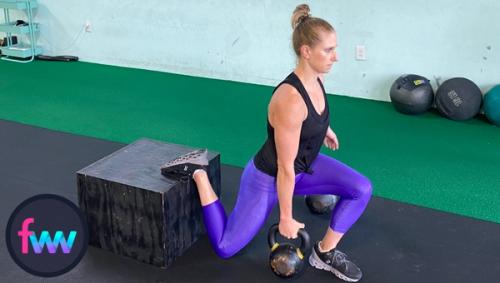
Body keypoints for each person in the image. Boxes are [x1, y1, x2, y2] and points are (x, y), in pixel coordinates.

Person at [161, 4, 372, 282]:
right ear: (306, 51)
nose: (336, 57)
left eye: (335, 48)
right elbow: (284, 168)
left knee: (361, 188)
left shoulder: (316, 78)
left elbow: (311, 116)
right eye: (329, 50)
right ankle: (198, 173)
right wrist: (286, 217)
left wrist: (324, 129)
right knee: (225, 247)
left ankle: (325, 252)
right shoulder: (289, 100)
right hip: (268, 178)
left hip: (304, 168)